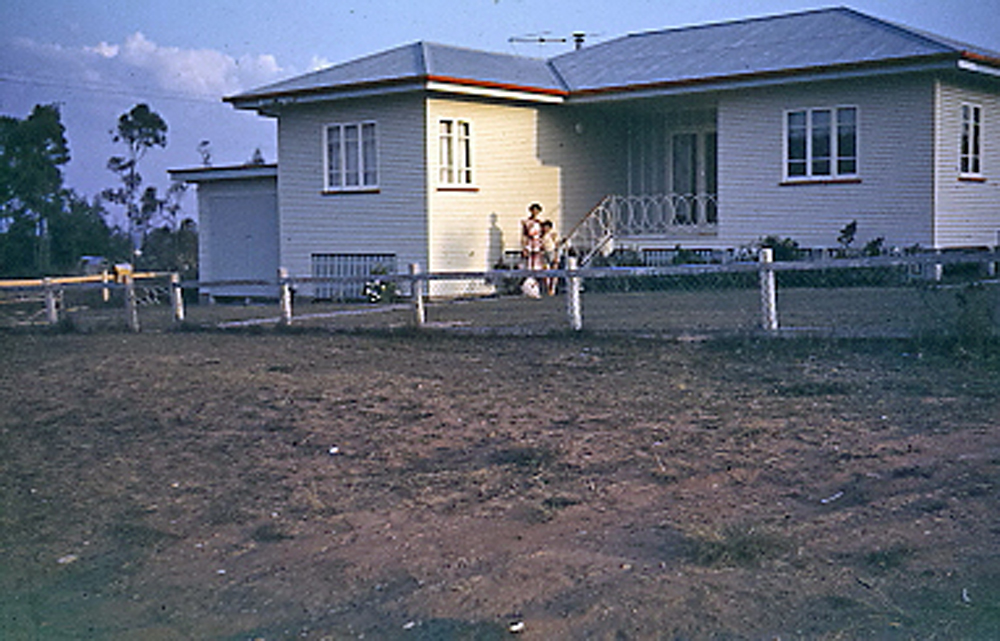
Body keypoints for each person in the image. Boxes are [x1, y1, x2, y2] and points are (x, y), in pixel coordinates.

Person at [520, 203, 544, 298]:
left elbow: (541, 235)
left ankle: (535, 288)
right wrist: (525, 247)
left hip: (537, 245)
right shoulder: (527, 222)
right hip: (530, 245)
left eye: (537, 210)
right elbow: (524, 235)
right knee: (529, 266)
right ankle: (528, 288)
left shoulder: (540, 223)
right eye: (534, 210)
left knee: (537, 267)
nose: (535, 212)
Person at [540, 220, 559, 295]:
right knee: (546, 271)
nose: (545, 228)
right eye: (544, 227)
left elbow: (556, 245)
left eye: (547, 227)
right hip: (544, 253)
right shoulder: (541, 235)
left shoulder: (552, 235)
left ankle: (552, 287)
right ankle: (548, 287)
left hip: (552, 252)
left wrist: (556, 255)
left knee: (554, 271)